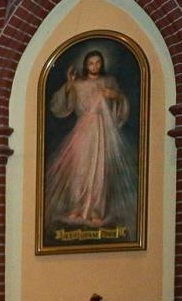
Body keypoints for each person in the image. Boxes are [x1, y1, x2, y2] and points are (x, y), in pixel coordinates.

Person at [44, 48, 135, 231]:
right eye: (91, 63)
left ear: (102, 64)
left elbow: (121, 103)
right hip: (83, 129)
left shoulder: (108, 82)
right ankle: (77, 207)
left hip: (102, 130)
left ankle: (95, 210)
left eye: (98, 62)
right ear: (86, 65)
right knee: (80, 168)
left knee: (99, 169)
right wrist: (69, 84)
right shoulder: (78, 84)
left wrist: (115, 96)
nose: (95, 66)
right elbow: (61, 105)